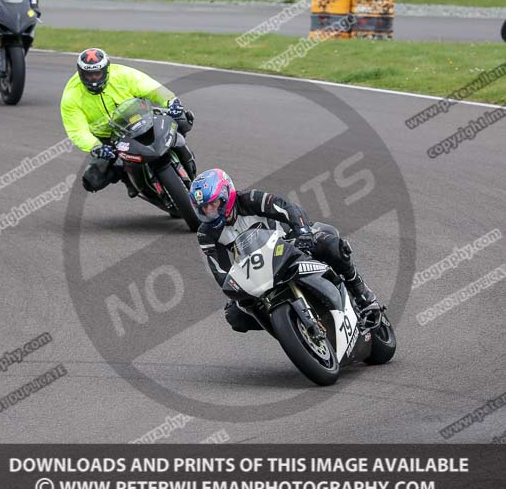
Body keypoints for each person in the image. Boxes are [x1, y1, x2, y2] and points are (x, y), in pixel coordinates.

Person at [190, 168, 379, 333]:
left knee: (333, 247)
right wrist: (235, 288)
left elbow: (288, 208)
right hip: (257, 271)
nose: (209, 211)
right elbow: (221, 272)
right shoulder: (206, 234)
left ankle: (362, 293)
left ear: (226, 195)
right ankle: (287, 328)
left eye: (213, 204)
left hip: (290, 244)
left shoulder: (250, 199)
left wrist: (303, 232)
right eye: (204, 208)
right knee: (235, 315)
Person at [60, 48, 196, 196]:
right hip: (107, 138)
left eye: (97, 73)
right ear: (81, 73)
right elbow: (77, 131)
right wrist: (96, 147)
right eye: (88, 74)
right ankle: (128, 177)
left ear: (106, 70)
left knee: (182, 118)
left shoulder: (122, 74)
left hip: (139, 118)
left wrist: (171, 101)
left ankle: (184, 156)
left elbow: (150, 87)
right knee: (92, 180)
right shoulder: (71, 96)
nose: (93, 79)